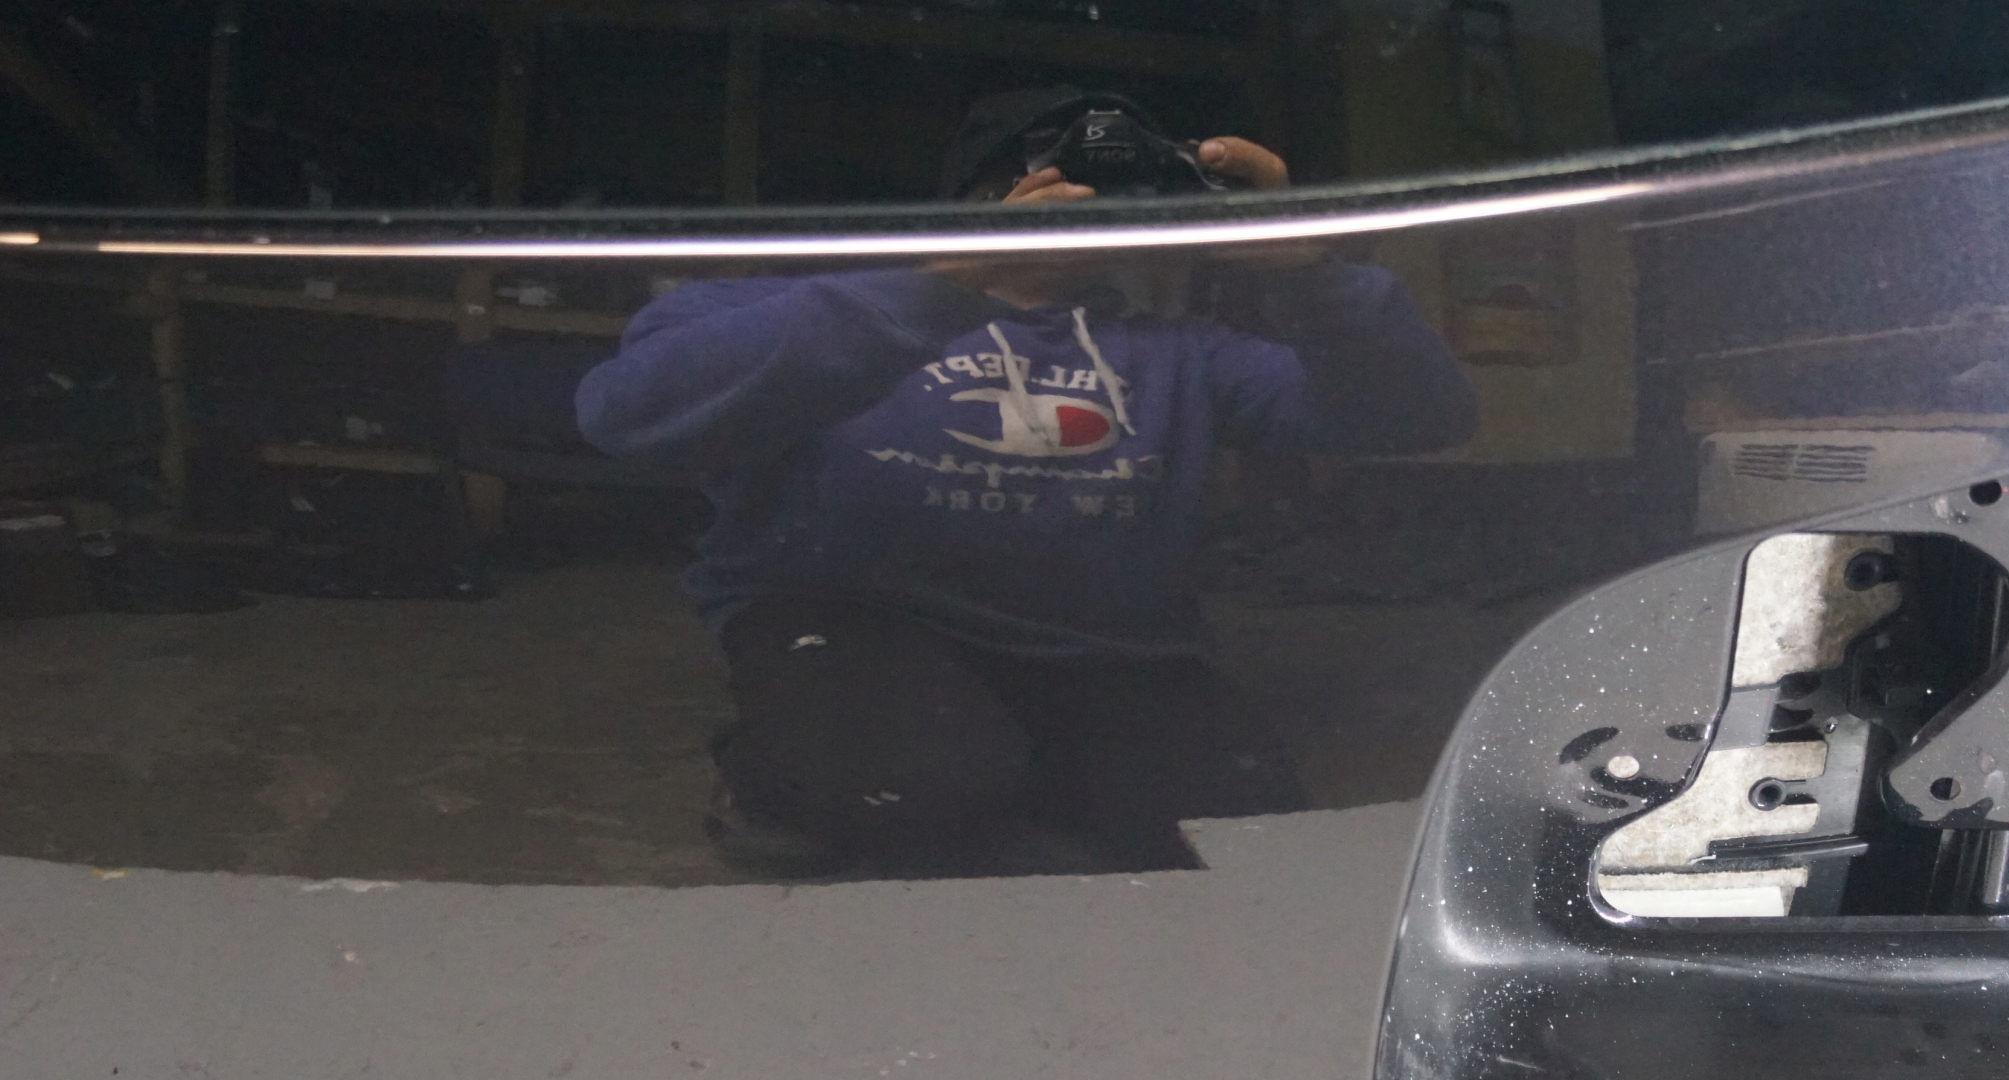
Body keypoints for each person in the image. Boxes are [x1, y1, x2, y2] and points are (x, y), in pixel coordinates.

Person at [576, 88, 1477, 877]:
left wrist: (1310, 270)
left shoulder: (1185, 353)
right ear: (980, 195)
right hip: (858, 617)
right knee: (913, 785)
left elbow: (1418, 416)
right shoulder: (831, 302)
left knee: (1238, 819)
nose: (1087, 202)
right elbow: (623, 415)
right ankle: (775, 772)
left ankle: (1007, 770)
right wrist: (949, 280)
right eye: (1060, 176)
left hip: (1103, 646)